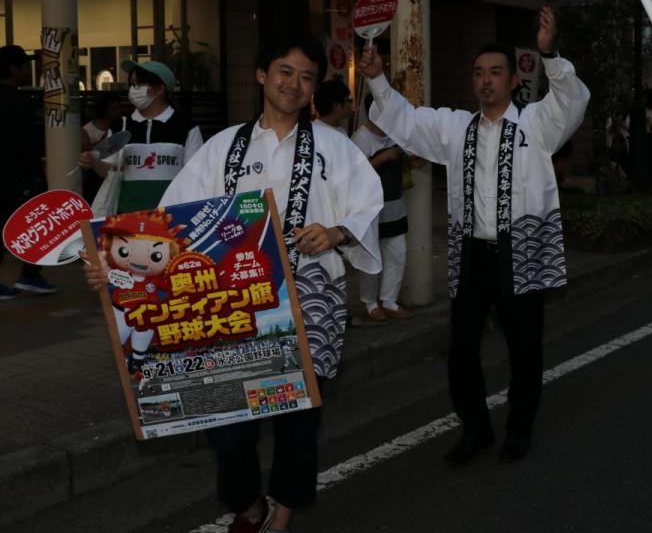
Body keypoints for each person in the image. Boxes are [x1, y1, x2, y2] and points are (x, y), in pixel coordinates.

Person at [85, 33, 383, 533]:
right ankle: (247, 503)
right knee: (226, 424)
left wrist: (336, 231)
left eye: (307, 76)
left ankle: (282, 510)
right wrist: (113, 267)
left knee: (299, 421)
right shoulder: (223, 147)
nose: (295, 83)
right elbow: (169, 223)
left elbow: (367, 206)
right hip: (229, 303)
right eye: (285, 71)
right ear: (262, 76)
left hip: (312, 301)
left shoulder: (336, 148)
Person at [359, 6, 589, 465]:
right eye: (479, 73)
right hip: (473, 255)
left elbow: (571, 100)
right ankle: (476, 428)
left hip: (520, 251)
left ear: (511, 81)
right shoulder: (455, 128)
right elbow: (407, 121)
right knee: (461, 350)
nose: (486, 81)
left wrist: (550, 55)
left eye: (496, 73)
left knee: (524, 349)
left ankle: (518, 428)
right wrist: (378, 80)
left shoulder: (537, 125)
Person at [79, 60, 203, 214]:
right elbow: (109, 171)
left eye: (137, 85)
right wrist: (94, 160)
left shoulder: (186, 128)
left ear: (159, 90)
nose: (132, 90)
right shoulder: (121, 126)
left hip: (171, 219)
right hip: (127, 217)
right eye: (131, 85)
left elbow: (195, 176)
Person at [349, 92, 414, 326]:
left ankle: (389, 301)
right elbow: (354, 174)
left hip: (395, 202)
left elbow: (414, 158)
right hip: (370, 207)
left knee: (397, 252)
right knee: (370, 255)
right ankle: (370, 304)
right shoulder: (360, 138)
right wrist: (383, 158)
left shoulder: (396, 134)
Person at [0, 44, 54, 298]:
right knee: (39, 223)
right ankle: (30, 275)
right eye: (24, 65)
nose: (27, 70)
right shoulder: (17, 101)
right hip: (19, 177)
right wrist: (36, 173)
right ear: (13, 68)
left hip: (8, 176)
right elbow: (27, 144)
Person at [80, 92, 124, 203]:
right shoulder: (87, 130)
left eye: (119, 107)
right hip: (94, 180)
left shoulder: (119, 126)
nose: (118, 111)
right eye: (114, 108)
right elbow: (85, 152)